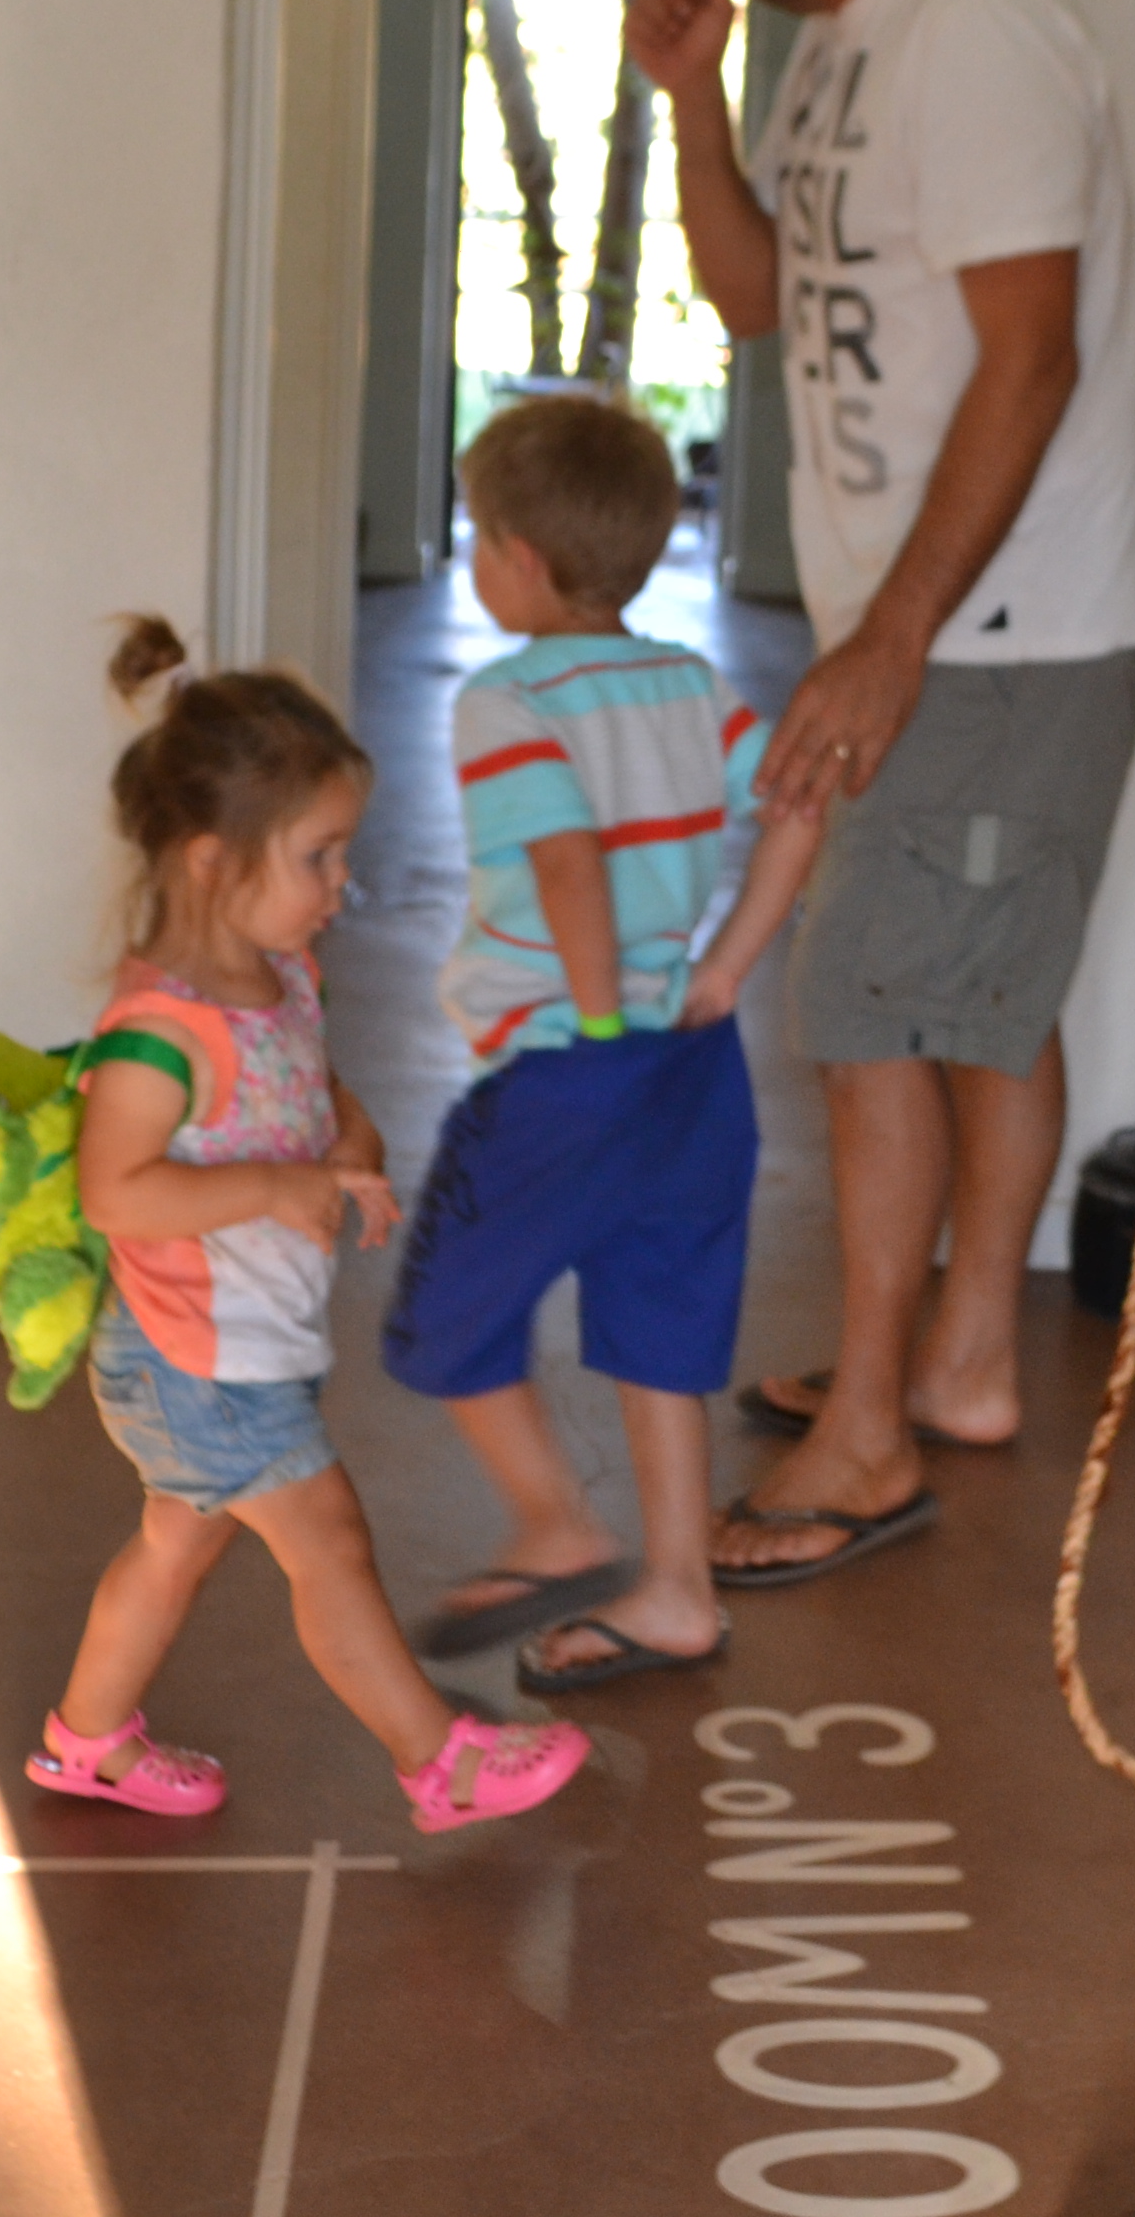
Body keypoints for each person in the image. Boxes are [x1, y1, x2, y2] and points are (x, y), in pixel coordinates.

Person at [624, 0, 1135, 1585]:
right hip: (948, 623)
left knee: (867, 999)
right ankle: (959, 1367)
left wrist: (893, 639)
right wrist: (691, 99)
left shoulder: (980, 31)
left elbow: (1032, 359)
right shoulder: (842, 46)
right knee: (974, 992)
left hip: (1005, 628)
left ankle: (866, 1437)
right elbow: (752, 295)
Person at [27, 618, 585, 1835]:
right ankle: (438, 1763)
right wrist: (278, 1190)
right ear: (213, 863)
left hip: (245, 1339)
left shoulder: (281, 977)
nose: (344, 888)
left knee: (176, 1547)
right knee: (326, 1540)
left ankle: (88, 1739)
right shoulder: (157, 1037)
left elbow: (306, 1086)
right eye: (320, 858)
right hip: (193, 1357)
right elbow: (117, 1193)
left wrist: (348, 1142)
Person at [382, 395, 826, 1686]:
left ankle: (555, 1523)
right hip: (694, 1066)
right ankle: (679, 1592)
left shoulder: (505, 699)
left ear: (520, 558)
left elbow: (567, 861)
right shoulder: (691, 683)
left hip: (569, 1068)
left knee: (444, 1316)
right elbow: (801, 806)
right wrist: (722, 969)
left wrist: (590, 1018)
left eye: (479, 536)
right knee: (660, 1330)